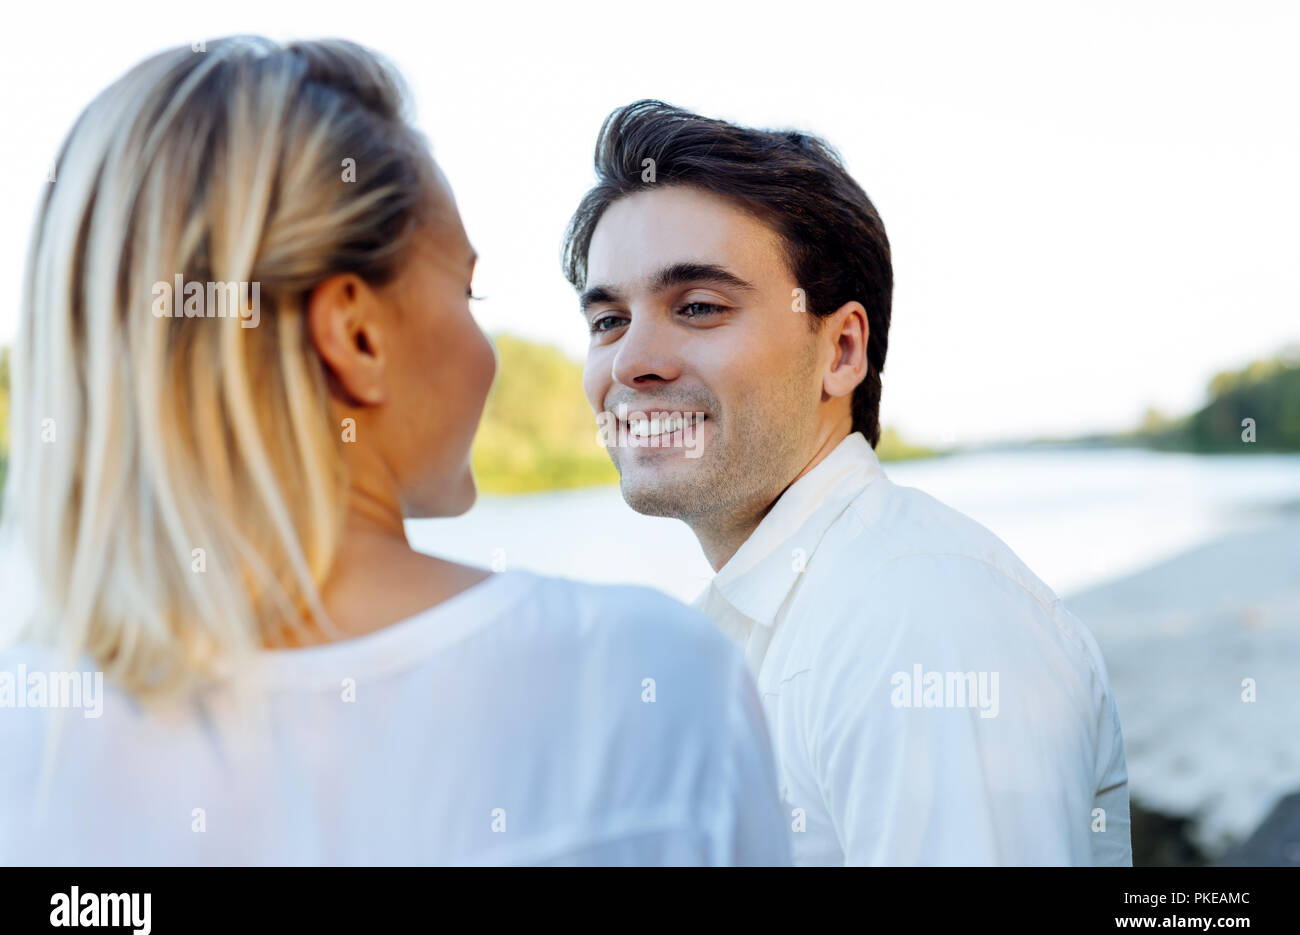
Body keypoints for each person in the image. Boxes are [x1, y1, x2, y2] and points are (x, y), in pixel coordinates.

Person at [0, 41, 790, 866]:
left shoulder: (27, 747)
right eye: (466, 291)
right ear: (356, 335)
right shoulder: (648, 682)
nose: (486, 346)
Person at [564, 100, 1132, 865]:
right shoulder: (749, 624)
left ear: (840, 351)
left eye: (698, 307)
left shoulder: (918, 619)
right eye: (608, 321)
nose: (632, 362)